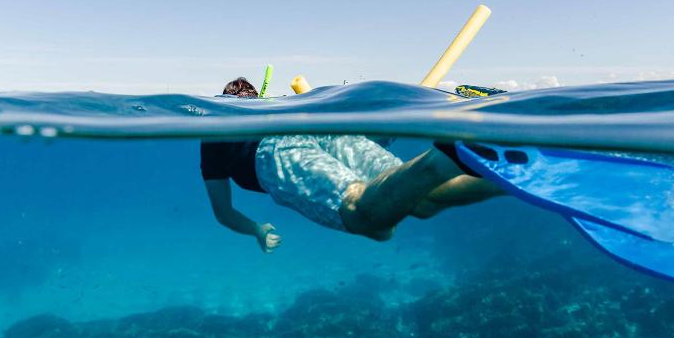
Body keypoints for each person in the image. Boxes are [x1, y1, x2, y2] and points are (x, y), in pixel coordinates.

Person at [201, 77, 502, 252]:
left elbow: (223, 212)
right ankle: (500, 172)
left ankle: (448, 151)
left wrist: (258, 229)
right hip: (321, 127)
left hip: (275, 153)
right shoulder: (276, 107)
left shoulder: (214, 136)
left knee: (368, 218)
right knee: (423, 202)